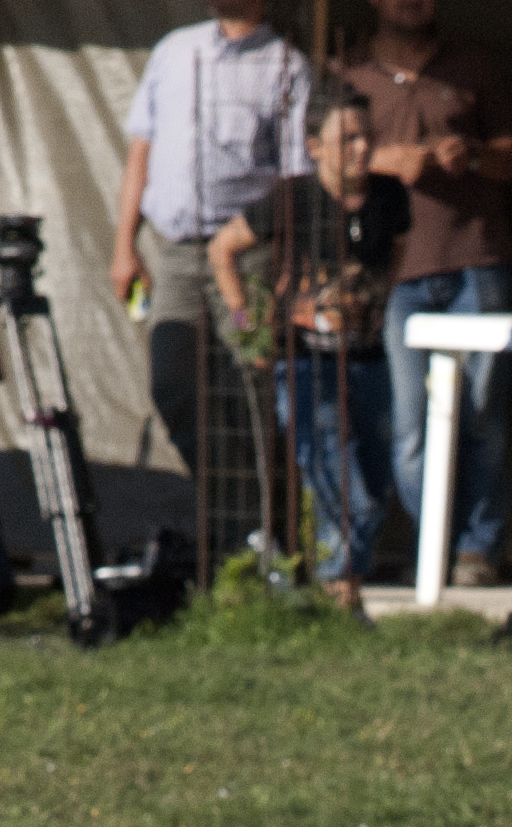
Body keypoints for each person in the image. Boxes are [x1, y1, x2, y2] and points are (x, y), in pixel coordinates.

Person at [340, 0, 512, 589]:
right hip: (396, 271)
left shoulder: (474, 68)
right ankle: (433, 547)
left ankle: (480, 547)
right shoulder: (350, 78)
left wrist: (470, 154)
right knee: (409, 422)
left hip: (476, 260)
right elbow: (319, 158)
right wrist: (386, 160)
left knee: (483, 413)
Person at [109, 0, 312, 532]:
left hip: (247, 256)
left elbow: (297, 178)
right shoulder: (175, 50)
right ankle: (232, 511)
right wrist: (124, 244)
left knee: (251, 385)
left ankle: (272, 529)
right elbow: (141, 152)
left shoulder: (285, 65)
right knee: (173, 380)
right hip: (175, 251)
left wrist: (286, 273)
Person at [214, 91, 411, 606]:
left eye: (368, 137)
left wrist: (377, 306)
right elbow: (223, 249)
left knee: (372, 467)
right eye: (347, 139)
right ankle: (339, 583)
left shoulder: (390, 197)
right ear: (314, 146)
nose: (362, 149)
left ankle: (343, 581)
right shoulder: (292, 198)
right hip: (303, 361)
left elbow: (396, 252)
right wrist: (246, 320)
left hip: (367, 359)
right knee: (332, 464)